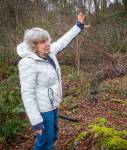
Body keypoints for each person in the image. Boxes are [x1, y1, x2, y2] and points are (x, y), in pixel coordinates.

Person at [17, 13, 85, 150]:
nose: (47, 44)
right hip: (42, 110)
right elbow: (27, 94)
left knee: (53, 136)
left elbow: (63, 41)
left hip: (53, 105)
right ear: (33, 45)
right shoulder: (28, 63)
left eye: (47, 40)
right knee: (44, 143)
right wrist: (36, 121)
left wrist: (78, 26)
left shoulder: (49, 53)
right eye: (42, 42)